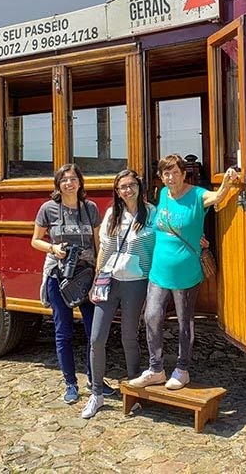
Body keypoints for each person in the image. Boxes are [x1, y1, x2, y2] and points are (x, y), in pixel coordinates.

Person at [129, 154, 240, 391]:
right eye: (166, 173)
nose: (171, 177)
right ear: (161, 177)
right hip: (158, 270)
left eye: (175, 172)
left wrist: (228, 182)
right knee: (151, 316)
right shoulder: (162, 195)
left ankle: (182, 369)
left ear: (183, 174)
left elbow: (219, 197)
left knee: (184, 322)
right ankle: (156, 369)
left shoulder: (197, 195)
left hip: (186, 272)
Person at [31, 163, 114, 404]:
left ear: (80, 182)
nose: (69, 183)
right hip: (58, 277)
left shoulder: (90, 209)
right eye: (64, 179)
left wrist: (99, 273)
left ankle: (94, 380)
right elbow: (35, 241)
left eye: (73, 179)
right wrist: (53, 248)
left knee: (94, 332)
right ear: (58, 184)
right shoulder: (48, 209)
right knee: (63, 331)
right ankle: (70, 383)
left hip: (87, 277)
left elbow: (99, 243)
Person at [81, 169, 156, 419]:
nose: (127, 190)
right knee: (96, 338)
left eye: (131, 185)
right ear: (117, 191)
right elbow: (103, 248)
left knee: (129, 338)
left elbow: (161, 248)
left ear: (139, 186)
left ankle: (133, 391)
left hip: (136, 283)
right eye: (122, 186)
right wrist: (95, 281)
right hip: (108, 282)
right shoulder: (113, 214)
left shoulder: (152, 213)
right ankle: (97, 394)